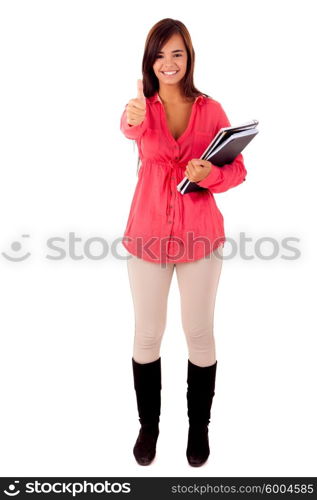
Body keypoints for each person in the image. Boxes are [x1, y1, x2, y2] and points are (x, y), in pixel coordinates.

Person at [119, 18, 247, 467]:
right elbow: (129, 129)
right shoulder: (141, 108)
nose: (168, 62)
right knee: (147, 334)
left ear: (189, 57)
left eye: (177, 53)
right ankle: (148, 427)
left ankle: (198, 429)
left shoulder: (210, 110)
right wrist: (133, 117)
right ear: (149, 60)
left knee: (198, 333)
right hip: (147, 238)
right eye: (160, 54)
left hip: (201, 240)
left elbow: (237, 170)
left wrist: (208, 174)